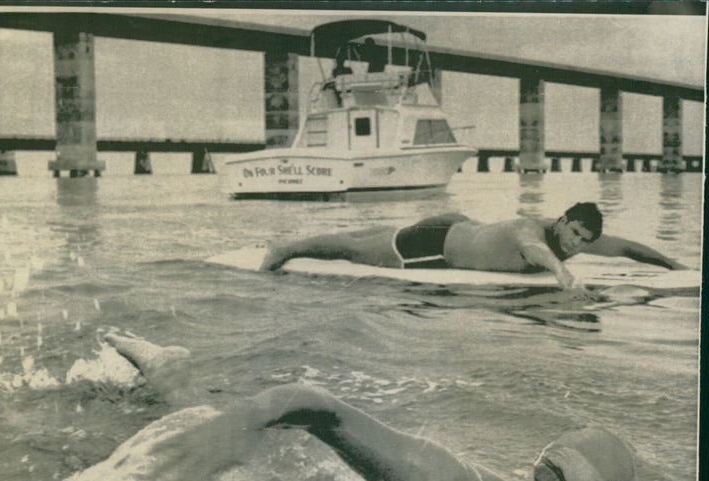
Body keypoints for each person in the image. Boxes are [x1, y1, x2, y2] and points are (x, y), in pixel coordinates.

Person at [105, 332, 636, 481]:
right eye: (550, 480)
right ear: (533, 466)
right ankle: (171, 372)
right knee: (219, 451)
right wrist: (231, 431)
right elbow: (316, 406)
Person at [259, 202, 689, 289]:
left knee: (365, 240)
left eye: (584, 241)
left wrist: (672, 263)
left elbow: (627, 247)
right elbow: (531, 248)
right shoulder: (534, 232)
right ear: (561, 221)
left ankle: (293, 244)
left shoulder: (573, 236)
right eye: (574, 234)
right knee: (352, 249)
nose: (577, 245)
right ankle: (287, 248)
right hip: (436, 244)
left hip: (462, 224)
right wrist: (561, 274)